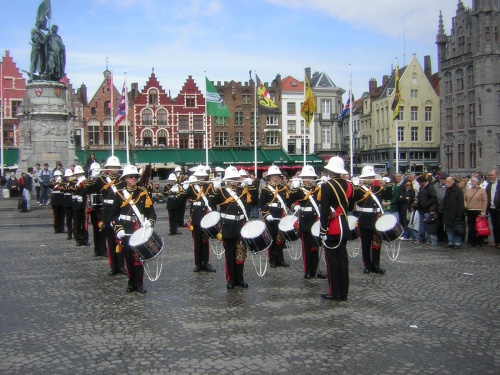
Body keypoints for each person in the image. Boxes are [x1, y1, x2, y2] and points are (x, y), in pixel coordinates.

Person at [112, 165, 157, 294]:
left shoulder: (143, 193)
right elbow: (114, 214)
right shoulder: (119, 194)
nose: (134, 178)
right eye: (131, 176)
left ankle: (139, 283)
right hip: (126, 230)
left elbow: (151, 212)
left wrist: (149, 222)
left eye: (136, 176)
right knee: (128, 257)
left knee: (139, 257)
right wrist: (118, 228)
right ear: (125, 178)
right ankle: (131, 282)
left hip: (139, 229)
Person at [318, 157, 355, 301]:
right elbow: (350, 207)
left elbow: (324, 210)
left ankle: (334, 292)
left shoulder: (327, 186)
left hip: (333, 228)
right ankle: (343, 292)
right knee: (343, 261)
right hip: (344, 226)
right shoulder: (350, 185)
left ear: (330, 170)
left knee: (332, 262)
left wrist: (323, 230)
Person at [212, 166, 253, 289]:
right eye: (231, 179)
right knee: (229, 254)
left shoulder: (243, 190)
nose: (234, 181)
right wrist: (214, 188)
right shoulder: (221, 191)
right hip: (228, 226)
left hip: (240, 225)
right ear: (226, 180)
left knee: (240, 253)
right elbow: (211, 202)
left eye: (235, 178)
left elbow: (250, 205)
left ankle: (240, 279)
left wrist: (252, 187)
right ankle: (231, 279)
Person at [85, 156, 126, 275]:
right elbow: (89, 190)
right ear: (107, 168)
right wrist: (91, 178)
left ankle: (121, 266)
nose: (114, 169)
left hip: (120, 211)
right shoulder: (101, 180)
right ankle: (113, 266)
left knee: (121, 239)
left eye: (116, 167)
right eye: (111, 167)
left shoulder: (122, 181)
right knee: (111, 239)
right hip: (107, 210)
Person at [289, 165, 326, 279]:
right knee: (306, 248)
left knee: (315, 247)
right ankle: (308, 270)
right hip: (305, 220)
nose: (309, 179)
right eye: (307, 177)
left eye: (311, 177)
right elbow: (289, 201)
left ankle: (315, 269)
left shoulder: (318, 189)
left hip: (315, 220)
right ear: (303, 178)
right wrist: (294, 206)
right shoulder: (299, 190)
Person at [352, 165, 388, 275]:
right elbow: (354, 198)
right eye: (368, 177)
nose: (370, 179)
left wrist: (387, 184)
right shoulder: (359, 189)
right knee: (366, 243)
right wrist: (355, 185)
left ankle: (376, 265)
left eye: (372, 176)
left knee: (377, 243)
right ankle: (367, 265)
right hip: (365, 218)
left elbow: (389, 195)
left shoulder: (379, 188)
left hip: (376, 218)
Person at [181, 165, 217, 273]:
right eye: (199, 176)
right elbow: (182, 198)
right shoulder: (192, 186)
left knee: (205, 241)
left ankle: (205, 262)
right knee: (197, 241)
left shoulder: (209, 185)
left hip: (206, 215)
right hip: (196, 216)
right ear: (196, 176)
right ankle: (198, 263)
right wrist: (183, 188)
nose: (201, 178)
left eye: (203, 176)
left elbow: (213, 201)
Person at [259, 165, 291, 268]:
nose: (277, 177)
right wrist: (266, 214)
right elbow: (262, 204)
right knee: (272, 239)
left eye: (278, 175)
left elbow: (287, 201)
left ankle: (280, 259)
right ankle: (272, 259)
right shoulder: (265, 189)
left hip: (280, 215)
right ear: (270, 176)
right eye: (275, 175)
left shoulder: (283, 188)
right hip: (271, 215)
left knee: (280, 239)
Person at [87, 162, 107, 257]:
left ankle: (103, 250)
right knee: (95, 229)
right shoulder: (89, 180)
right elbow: (88, 190)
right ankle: (97, 250)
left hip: (101, 207)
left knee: (102, 229)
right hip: (93, 208)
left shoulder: (102, 180)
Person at [464, 176, 488, 247]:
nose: (472, 182)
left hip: (478, 211)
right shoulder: (468, 190)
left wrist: (483, 212)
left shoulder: (482, 190)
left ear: (478, 182)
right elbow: (464, 199)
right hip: (470, 210)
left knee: (478, 227)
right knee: (470, 227)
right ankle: (471, 241)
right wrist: (466, 206)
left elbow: (484, 201)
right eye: (472, 181)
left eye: (474, 181)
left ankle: (478, 242)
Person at [442, 176, 465, 249]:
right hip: (447, 213)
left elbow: (460, 204)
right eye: (446, 181)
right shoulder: (448, 190)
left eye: (448, 182)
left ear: (452, 181)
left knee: (456, 229)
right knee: (448, 228)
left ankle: (457, 242)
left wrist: (459, 215)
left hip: (455, 213)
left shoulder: (458, 191)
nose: (446, 183)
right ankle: (451, 242)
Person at [414, 175, 438, 243]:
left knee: (427, 224)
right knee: (422, 224)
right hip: (421, 209)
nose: (419, 184)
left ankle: (428, 239)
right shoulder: (421, 188)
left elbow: (433, 198)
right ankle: (422, 238)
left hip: (427, 209)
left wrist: (426, 204)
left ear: (424, 182)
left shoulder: (430, 188)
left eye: (420, 183)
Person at [71, 165, 90, 247]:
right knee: (77, 222)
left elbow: (88, 191)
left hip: (84, 204)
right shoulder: (73, 182)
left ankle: (85, 239)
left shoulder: (86, 181)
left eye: (80, 173)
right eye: (77, 174)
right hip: (76, 203)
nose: (78, 175)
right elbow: (71, 190)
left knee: (85, 222)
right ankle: (78, 239)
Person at [485, 170, 500, 248]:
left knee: (499, 225)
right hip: (491, 208)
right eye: (490, 175)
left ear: (496, 175)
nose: (491, 177)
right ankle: (496, 241)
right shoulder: (489, 185)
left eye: (492, 175)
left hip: (498, 208)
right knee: (494, 225)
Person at [433, 173, 448, 243]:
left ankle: (447, 237)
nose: (443, 180)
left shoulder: (449, 186)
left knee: (447, 224)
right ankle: (440, 237)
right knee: (439, 224)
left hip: (447, 208)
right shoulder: (435, 186)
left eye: (444, 179)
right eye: (441, 179)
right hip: (438, 208)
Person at [61, 169, 75, 240]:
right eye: (67, 177)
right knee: (68, 219)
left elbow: (73, 190)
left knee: (75, 219)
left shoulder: (74, 183)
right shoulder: (63, 183)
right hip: (66, 202)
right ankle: (69, 234)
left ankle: (75, 233)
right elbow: (61, 190)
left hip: (73, 202)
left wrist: (67, 188)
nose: (68, 178)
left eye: (70, 176)